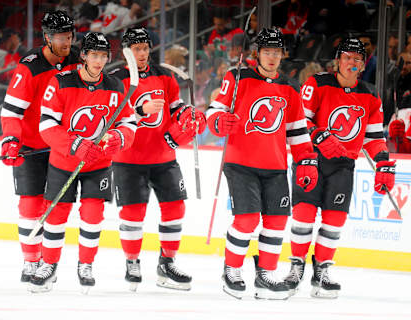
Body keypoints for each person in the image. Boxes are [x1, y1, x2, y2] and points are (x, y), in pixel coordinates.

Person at [206, 27, 318, 300]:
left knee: (277, 220)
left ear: (283, 55)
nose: (271, 57)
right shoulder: (237, 77)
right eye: (267, 51)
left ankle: (265, 274)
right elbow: (214, 110)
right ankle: (231, 269)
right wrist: (220, 121)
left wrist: (306, 160)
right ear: (257, 53)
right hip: (240, 163)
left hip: (275, 166)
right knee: (246, 220)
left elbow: (297, 130)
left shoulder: (290, 86)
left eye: (276, 52)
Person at [284, 38, 395, 299]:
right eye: (347, 57)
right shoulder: (317, 83)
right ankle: (296, 266)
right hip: (310, 161)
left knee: (335, 219)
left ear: (363, 64)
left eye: (357, 59)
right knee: (304, 214)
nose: (352, 63)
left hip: (343, 165)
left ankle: (321, 270)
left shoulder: (370, 94)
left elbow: (373, 138)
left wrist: (383, 163)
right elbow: (298, 123)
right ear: (338, 60)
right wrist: (319, 135)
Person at [29, 32, 137, 293]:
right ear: (84, 56)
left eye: (103, 55)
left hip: (98, 164)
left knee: (92, 216)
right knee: (55, 217)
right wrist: (74, 145)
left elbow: (129, 123)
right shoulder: (61, 82)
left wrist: (119, 138)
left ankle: (85, 265)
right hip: (64, 162)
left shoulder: (115, 86)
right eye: (94, 55)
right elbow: (47, 125)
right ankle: (49, 264)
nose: (99, 60)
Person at [110, 27, 206, 292]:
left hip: (163, 155)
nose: (141, 53)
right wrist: (139, 111)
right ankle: (132, 262)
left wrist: (187, 114)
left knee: (175, 208)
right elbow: (112, 116)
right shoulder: (116, 78)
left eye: (145, 48)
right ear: (126, 51)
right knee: (133, 212)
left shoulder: (164, 76)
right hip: (129, 157)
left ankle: (167, 262)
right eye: (136, 49)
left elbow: (175, 106)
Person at [0, 10, 81, 284]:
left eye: (69, 35)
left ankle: (48, 261)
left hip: (61, 147)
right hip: (31, 148)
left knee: (56, 207)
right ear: (47, 37)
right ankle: (31, 259)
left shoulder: (77, 61)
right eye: (60, 36)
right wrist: (11, 140)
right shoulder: (30, 67)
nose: (66, 41)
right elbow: (11, 112)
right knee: (30, 205)